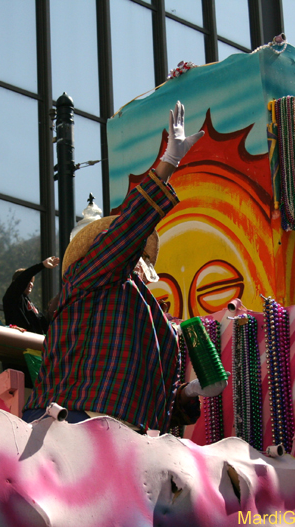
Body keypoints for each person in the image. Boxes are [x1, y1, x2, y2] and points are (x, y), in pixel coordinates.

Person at [23, 102, 225, 433]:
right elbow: (126, 232)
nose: (142, 257)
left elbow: (153, 402)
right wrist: (168, 163)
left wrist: (189, 392)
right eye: (137, 248)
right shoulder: (90, 276)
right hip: (70, 425)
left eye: (143, 252)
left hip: (129, 442)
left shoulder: (159, 319)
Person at [2, 256, 60, 334]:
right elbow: (23, 278)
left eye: (32, 281)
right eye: (28, 281)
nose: (30, 284)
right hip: (19, 340)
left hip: (37, 342)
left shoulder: (32, 305)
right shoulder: (12, 297)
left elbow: (45, 324)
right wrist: (42, 265)